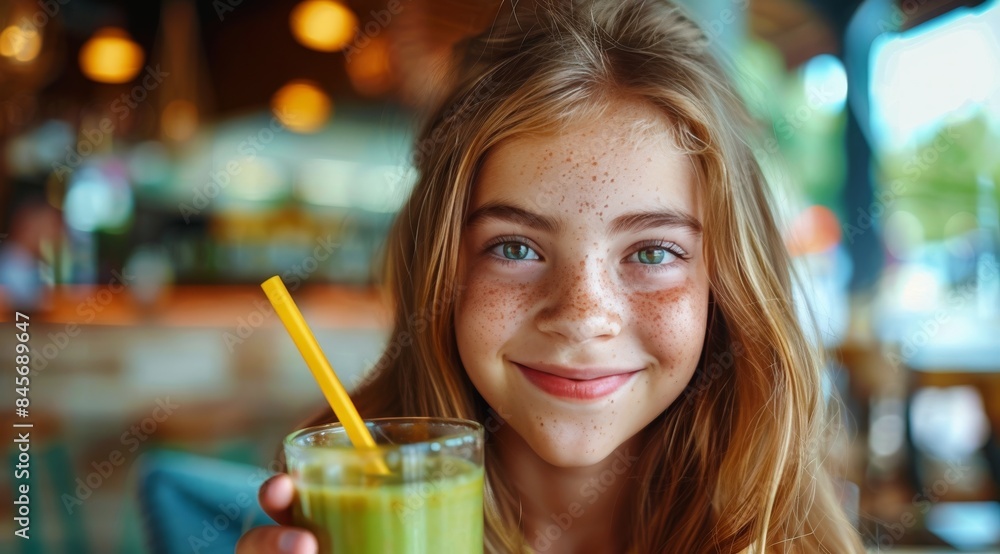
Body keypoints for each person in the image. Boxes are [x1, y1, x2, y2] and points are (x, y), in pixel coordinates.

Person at [238, 0, 865, 552]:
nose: (584, 314)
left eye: (651, 253)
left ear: (727, 281)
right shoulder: (338, 517)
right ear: (442, 267)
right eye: (515, 247)